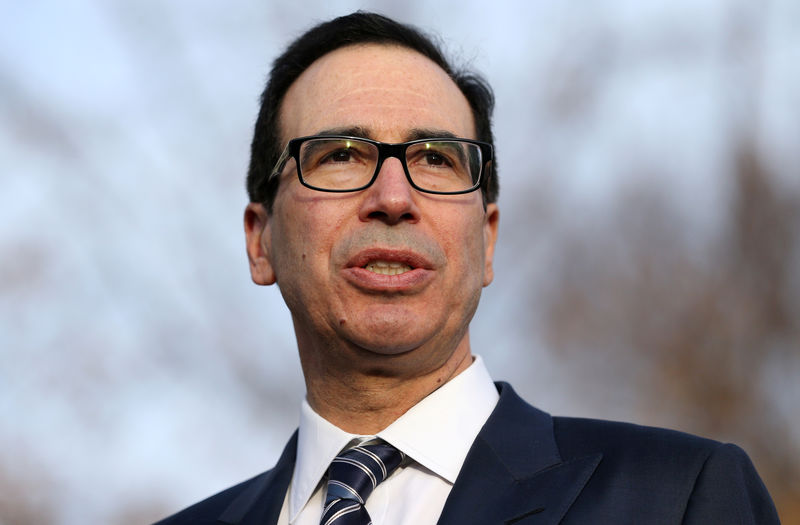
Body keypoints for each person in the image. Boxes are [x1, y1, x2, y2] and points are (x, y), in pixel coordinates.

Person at [156, 11, 780, 525]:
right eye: (342, 154)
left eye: (436, 158)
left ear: (486, 238)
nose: (394, 199)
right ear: (259, 240)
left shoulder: (677, 498)